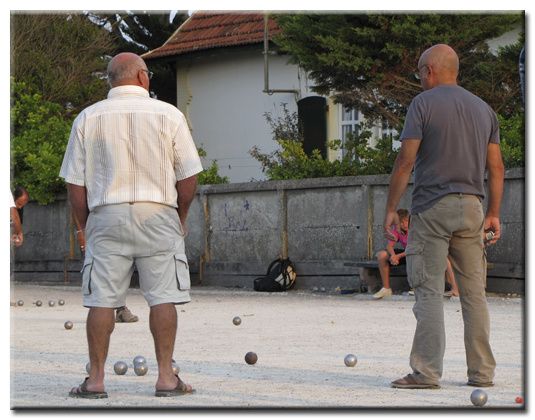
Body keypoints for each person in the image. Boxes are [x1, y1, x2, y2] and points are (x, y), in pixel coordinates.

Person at [60, 52, 203, 398]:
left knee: (102, 300)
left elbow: (75, 186)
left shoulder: (87, 118)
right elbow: (188, 178)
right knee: (163, 297)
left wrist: (84, 227)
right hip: (158, 213)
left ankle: (95, 380)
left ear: (111, 80)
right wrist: (179, 217)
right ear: (142, 77)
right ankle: (166, 378)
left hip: (106, 214)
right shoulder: (169, 115)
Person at [384, 44, 504, 389]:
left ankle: (426, 372)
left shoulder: (422, 104)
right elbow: (495, 167)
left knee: (429, 291)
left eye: (420, 72)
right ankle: (482, 373)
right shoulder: (484, 110)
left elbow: (406, 161)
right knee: (474, 294)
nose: (419, 79)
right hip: (473, 209)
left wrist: (392, 207)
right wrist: (493, 213)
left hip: (433, 208)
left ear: (429, 71)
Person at [374, 209, 459, 299]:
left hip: (421, 252)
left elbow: (415, 249)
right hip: (408, 253)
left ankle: (455, 289)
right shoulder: (397, 229)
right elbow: (389, 246)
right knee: (382, 255)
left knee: (444, 258)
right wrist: (393, 255)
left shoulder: (416, 228)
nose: (404, 224)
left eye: (405, 221)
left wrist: (398, 256)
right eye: (401, 222)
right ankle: (386, 288)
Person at [73, 214, 139, 323]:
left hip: (120, 226)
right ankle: (107, 308)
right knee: (103, 272)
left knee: (121, 270)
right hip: (99, 229)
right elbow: (76, 205)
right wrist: (80, 231)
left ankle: (120, 308)